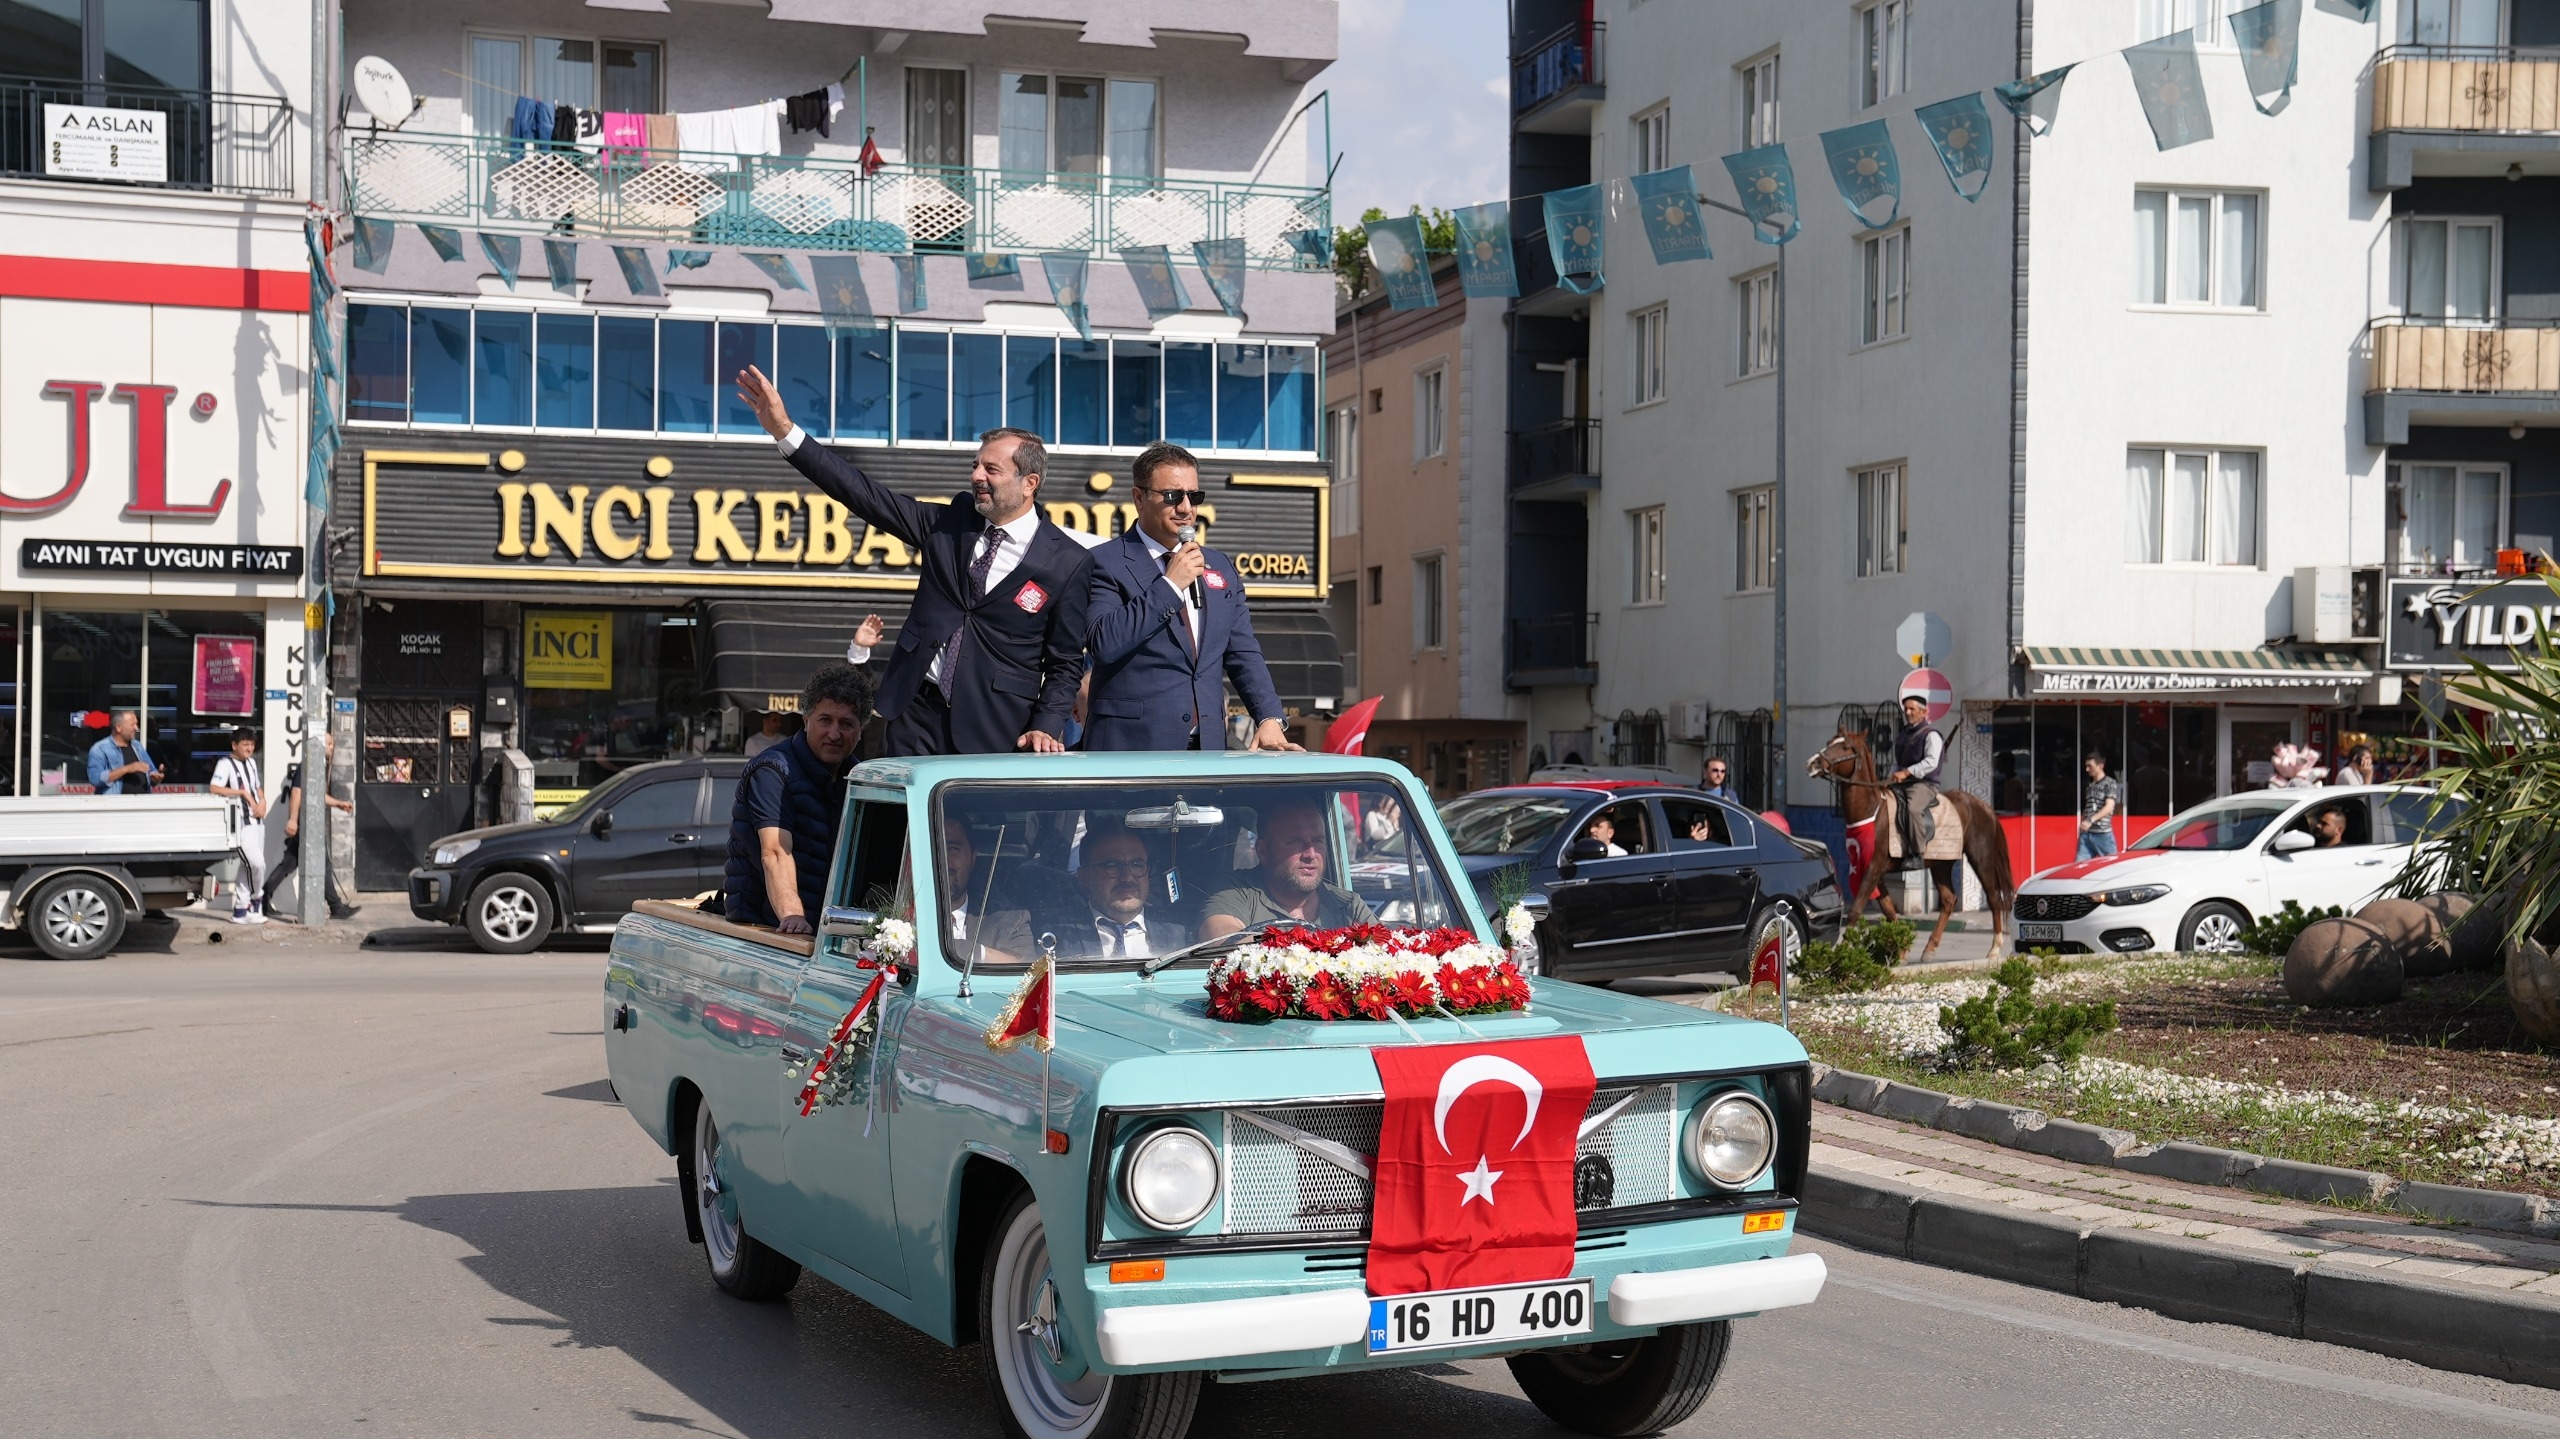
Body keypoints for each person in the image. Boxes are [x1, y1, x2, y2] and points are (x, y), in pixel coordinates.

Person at [736, 365, 1090, 756]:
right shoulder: (949, 524)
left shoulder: (1067, 561)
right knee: (902, 817)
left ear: (1030, 483)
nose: (976, 476)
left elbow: (1064, 663)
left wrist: (1046, 725)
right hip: (914, 711)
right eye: (975, 465)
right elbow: (864, 495)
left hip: (996, 726)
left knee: (970, 820)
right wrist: (786, 431)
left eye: (991, 469)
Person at [1083, 443, 1295, 752]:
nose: (1186, 508)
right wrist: (1170, 586)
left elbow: (1243, 652)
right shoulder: (1103, 561)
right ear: (1139, 497)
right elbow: (1103, 643)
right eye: (1172, 496)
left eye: (1193, 496)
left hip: (1207, 747)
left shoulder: (1219, 565)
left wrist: (1269, 717)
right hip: (1130, 749)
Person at [722, 662, 872, 934]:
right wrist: (792, 916)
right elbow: (776, 852)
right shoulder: (773, 770)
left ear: (860, 729)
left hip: (823, 934)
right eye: (825, 720)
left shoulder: (859, 777)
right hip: (763, 932)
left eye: (846, 723)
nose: (834, 734)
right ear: (806, 720)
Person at [1199, 796, 1378, 938]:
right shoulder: (1237, 891)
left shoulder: (1347, 905)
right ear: (1264, 851)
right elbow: (1222, 938)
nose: (1310, 853)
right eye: (1295, 842)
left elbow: (1387, 951)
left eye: (1317, 841)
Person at [1051, 821, 1187, 959]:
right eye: (1112, 865)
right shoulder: (1058, 939)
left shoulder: (1181, 934)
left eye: (1136, 864)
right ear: (1084, 877)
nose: (1127, 877)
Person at [265, 730, 360, 920]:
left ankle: (261, 901)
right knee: (321, 864)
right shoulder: (307, 765)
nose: (332, 748)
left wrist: (338, 803)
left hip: (307, 824)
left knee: (288, 864)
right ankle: (336, 907)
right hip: (306, 825)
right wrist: (293, 819)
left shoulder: (317, 766)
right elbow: (297, 793)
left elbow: (316, 794)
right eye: (330, 744)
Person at [207, 730, 269, 925]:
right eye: (245, 744)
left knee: (248, 866)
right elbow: (215, 788)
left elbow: (257, 787)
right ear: (234, 745)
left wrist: (263, 801)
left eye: (251, 744)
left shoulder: (251, 762)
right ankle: (256, 899)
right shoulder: (225, 764)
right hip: (241, 823)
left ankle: (242, 909)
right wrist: (241, 793)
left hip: (257, 822)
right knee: (257, 864)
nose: (249, 748)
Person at [1887, 694, 1943, 868]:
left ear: (1924, 711)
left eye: (1912, 709)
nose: (1908, 712)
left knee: (1912, 808)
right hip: (1902, 781)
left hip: (1924, 784)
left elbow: (1931, 762)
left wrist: (1907, 772)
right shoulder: (1903, 733)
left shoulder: (1931, 735)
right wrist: (1890, 776)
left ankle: (1917, 853)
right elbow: (1898, 761)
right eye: (1906, 709)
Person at [85, 710, 161, 795]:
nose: (136, 728)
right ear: (118, 727)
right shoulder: (100, 749)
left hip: (142, 803)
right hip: (115, 805)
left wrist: (156, 777)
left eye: (136, 724)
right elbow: (95, 779)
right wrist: (127, 769)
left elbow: (151, 771)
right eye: (132, 724)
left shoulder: (137, 746)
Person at [2078, 751, 2121, 860]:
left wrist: (2090, 820)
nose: (2087, 769)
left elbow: (2109, 807)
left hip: (2102, 834)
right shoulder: (2089, 785)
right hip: (2087, 834)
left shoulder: (2110, 783)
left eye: (2090, 766)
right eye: (2086, 766)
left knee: (2111, 866)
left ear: (2100, 766)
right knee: (2080, 866)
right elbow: (2089, 806)